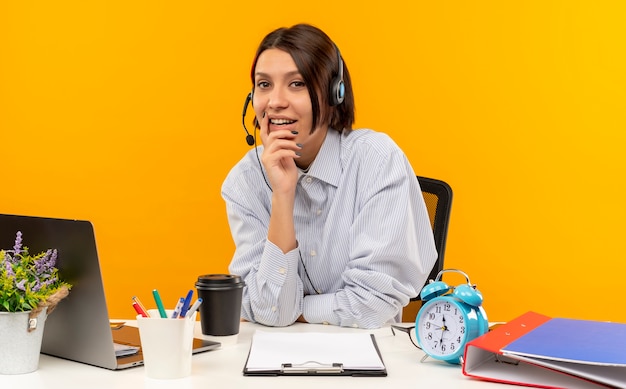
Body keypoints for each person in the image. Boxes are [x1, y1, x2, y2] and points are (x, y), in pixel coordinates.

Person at [222, 23, 437, 329]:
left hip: (369, 359)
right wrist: (282, 195)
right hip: (276, 361)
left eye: (296, 84)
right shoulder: (245, 181)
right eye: (264, 84)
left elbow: (373, 305)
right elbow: (270, 310)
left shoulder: (376, 160)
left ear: (334, 93)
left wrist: (297, 308)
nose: (275, 101)